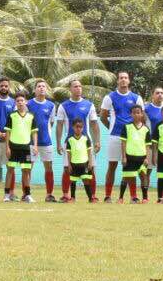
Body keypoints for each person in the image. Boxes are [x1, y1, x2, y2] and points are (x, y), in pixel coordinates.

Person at [100, 72, 143, 202]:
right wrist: (113, 128)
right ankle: (107, 196)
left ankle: (133, 196)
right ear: (117, 81)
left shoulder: (136, 98)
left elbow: (141, 117)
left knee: (130, 167)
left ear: (129, 81)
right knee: (112, 166)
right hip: (115, 137)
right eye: (121, 78)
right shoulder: (109, 97)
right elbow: (103, 117)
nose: (123, 80)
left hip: (132, 139)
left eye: (125, 78)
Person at [54, 79, 102, 169]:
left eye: (80, 86)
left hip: (86, 143)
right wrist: (58, 144)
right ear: (70, 89)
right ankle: (70, 184)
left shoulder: (89, 105)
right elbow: (59, 126)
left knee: (90, 169)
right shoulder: (63, 106)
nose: (78, 88)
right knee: (67, 169)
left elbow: (94, 125)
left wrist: (97, 141)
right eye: (75, 86)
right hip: (69, 143)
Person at [27, 80, 58, 202]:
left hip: (46, 142)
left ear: (46, 89)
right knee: (28, 168)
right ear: (35, 90)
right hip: (30, 143)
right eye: (39, 86)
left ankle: (49, 194)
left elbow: (51, 122)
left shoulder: (51, 105)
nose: (41, 88)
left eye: (43, 86)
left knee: (49, 168)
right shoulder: (28, 104)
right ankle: (26, 194)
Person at [4, 93, 37, 202]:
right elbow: (7, 131)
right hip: (13, 147)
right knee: (10, 170)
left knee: (26, 171)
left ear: (26, 102)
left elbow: (34, 133)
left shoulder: (31, 116)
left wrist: (35, 146)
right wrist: (7, 147)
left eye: (22, 100)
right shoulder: (11, 115)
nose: (20, 102)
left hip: (26, 148)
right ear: (15, 103)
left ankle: (27, 194)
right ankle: (7, 195)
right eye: (18, 101)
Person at [117, 104, 152, 203]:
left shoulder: (146, 129)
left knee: (143, 176)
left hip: (141, 157)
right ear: (131, 114)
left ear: (141, 114)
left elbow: (148, 145)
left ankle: (145, 198)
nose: (136, 114)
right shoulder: (127, 127)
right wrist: (123, 157)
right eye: (134, 113)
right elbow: (123, 142)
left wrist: (147, 158)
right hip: (129, 157)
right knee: (126, 177)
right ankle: (121, 198)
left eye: (138, 112)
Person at [62, 118, 97, 203]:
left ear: (83, 128)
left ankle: (90, 198)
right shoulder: (69, 140)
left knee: (86, 181)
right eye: (77, 127)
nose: (78, 128)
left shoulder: (86, 138)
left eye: (80, 127)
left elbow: (89, 151)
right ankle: (73, 198)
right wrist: (69, 164)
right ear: (73, 127)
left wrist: (90, 162)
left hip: (85, 163)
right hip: (74, 164)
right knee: (73, 181)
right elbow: (69, 153)